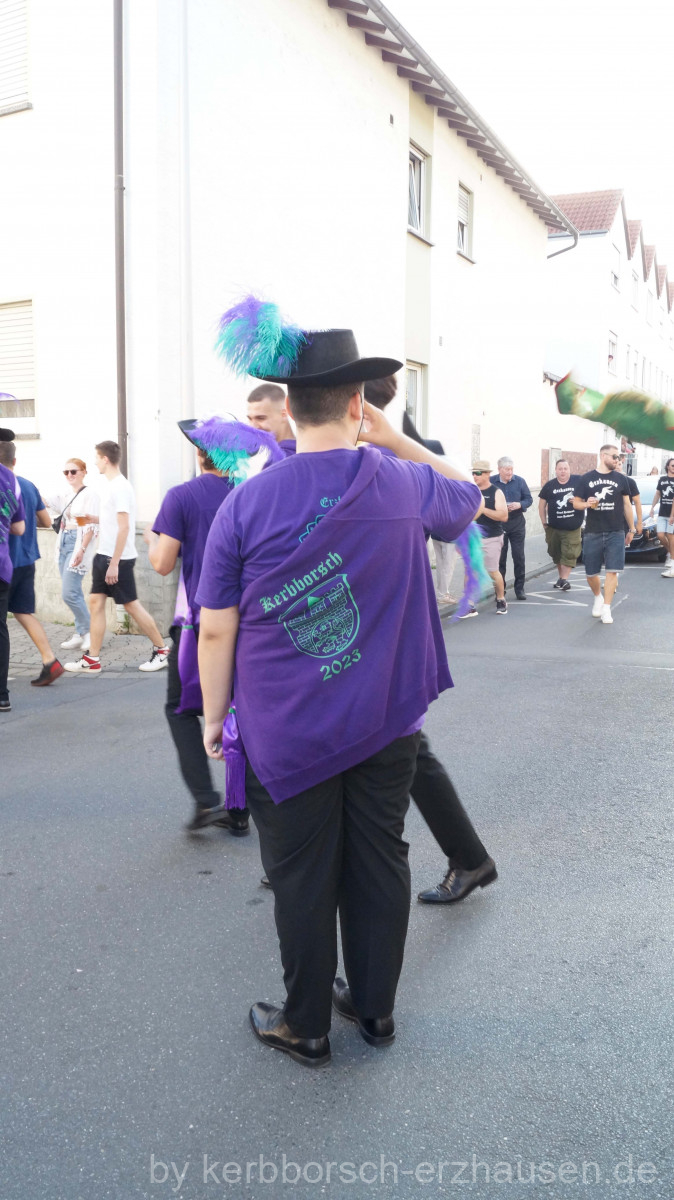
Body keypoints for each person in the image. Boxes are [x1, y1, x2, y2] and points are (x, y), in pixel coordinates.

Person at [196, 319, 481, 1067]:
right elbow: (467, 497)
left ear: (289, 410)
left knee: (301, 873)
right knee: (381, 858)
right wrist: (396, 439)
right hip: (385, 719)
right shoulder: (403, 481)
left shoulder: (245, 503)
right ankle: (376, 1011)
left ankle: (306, 1025)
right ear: (359, 404)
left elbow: (216, 629)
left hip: (288, 728)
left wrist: (215, 718)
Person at [361, 381, 498, 905]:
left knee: (404, 756)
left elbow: (468, 497)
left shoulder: (398, 464)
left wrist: (398, 441)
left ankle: (465, 859)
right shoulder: (373, 460)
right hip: (380, 633)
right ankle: (469, 857)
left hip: (386, 635)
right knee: (408, 753)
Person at [146, 416, 279, 833]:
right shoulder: (253, 493)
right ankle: (240, 808)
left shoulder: (182, 496)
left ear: (199, 454)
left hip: (200, 621)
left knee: (181, 708)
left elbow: (162, 563)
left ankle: (207, 799)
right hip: (253, 619)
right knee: (244, 710)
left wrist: (151, 539)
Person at [64, 440, 169, 675]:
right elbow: (115, 521)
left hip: (117, 559)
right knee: (96, 602)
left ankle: (162, 650)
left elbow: (124, 528)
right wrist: (94, 519)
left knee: (131, 605)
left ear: (105, 459)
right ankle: (93, 659)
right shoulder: (112, 486)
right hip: (104, 555)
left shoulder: (120, 487)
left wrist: (114, 564)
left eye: (96, 458)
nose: (95, 463)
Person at [0, 438, 64, 687]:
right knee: (23, 611)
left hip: (5, 562)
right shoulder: (27, 485)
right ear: (14, 460)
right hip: (26, 559)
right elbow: (47, 522)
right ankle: (50, 660)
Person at [572, 444, 635, 624]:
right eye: (614, 456)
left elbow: (627, 505)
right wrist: (587, 504)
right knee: (590, 573)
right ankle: (598, 597)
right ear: (603, 455)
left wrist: (631, 529)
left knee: (612, 571)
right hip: (593, 531)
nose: (617, 460)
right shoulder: (586, 479)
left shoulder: (621, 479)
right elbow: (576, 503)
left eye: (619, 457)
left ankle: (606, 608)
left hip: (616, 531)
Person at [46, 458, 99, 652]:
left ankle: (90, 633)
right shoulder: (67, 494)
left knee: (69, 593)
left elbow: (90, 526)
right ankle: (80, 632)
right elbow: (46, 503)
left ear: (84, 472)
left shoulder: (89, 495)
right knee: (73, 591)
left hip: (77, 542)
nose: (69, 475)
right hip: (63, 542)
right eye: (66, 472)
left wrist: (82, 549)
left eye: (73, 471)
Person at [0, 430, 26, 713]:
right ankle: (2, 695)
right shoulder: (12, 480)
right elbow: (19, 527)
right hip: (2, 564)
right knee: (1, 629)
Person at [491, 456, 532, 600]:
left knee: (518, 557)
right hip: (498, 525)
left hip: (517, 523)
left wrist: (520, 504)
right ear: (499, 469)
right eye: (506, 470)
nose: (509, 472)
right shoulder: (492, 482)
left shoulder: (520, 481)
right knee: (500, 560)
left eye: (511, 469)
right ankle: (500, 591)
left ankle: (519, 589)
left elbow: (529, 499)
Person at [538, 459, 583, 590]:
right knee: (556, 554)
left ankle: (564, 579)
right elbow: (541, 505)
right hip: (553, 527)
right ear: (556, 470)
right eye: (560, 469)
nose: (563, 471)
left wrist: (579, 501)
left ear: (569, 469)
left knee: (569, 553)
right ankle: (561, 579)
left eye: (565, 468)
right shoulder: (549, 486)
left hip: (572, 527)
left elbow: (588, 498)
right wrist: (543, 522)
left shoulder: (578, 481)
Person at [471, 460, 508, 614]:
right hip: (474, 537)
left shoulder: (496, 492)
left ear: (487, 474)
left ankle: (501, 599)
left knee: (492, 571)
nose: (475, 476)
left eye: (478, 473)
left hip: (492, 537)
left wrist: (483, 508)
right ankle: (470, 604)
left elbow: (503, 516)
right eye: (473, 473)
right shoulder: (471, 490)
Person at [247, 383, 295, 455]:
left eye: (260, 418)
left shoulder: (283, 458)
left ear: (284, 415)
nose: (253, 426)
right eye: (250, 419)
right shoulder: (303, 449)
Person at [649, 457, 674, 576]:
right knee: (660, 535)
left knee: (670, 536)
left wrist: (672, 515)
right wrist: (652, 507)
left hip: (672, 514)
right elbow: (658, 494)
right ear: (668, 466)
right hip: (662, 512)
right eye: (672, 465)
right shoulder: (662, 479)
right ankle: (670, 552)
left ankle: (672, 559)